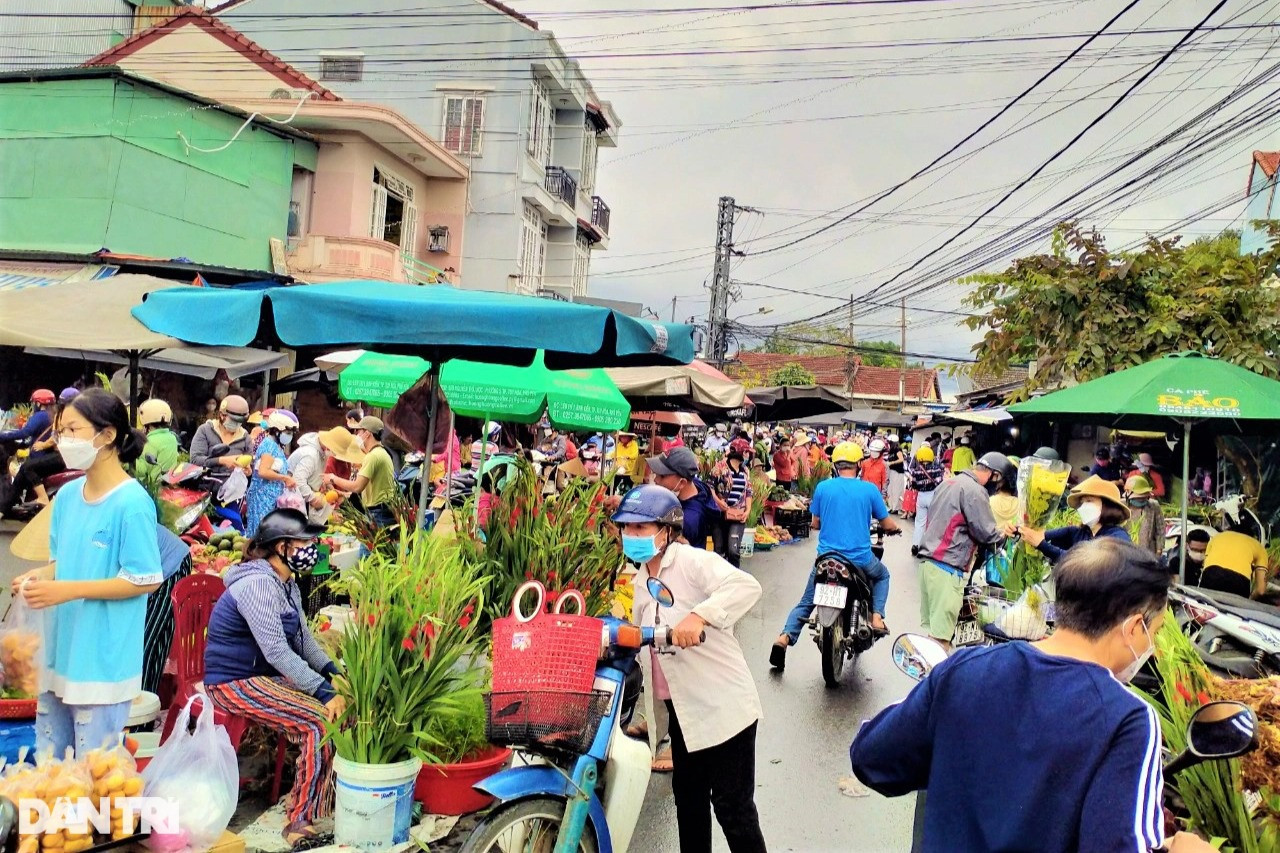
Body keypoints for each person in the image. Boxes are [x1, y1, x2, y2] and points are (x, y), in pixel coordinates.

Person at [849, 538, 1215, 853]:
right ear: (1135, 626)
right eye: (1156, 630)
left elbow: (872, 759)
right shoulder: (1128, 718)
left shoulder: (964, 669)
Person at [612, 485, 767, 853]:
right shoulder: (638, 582)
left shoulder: (691, 562)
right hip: (683, 710)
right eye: (627, 529)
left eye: (641, 528)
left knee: (732, 807)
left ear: (666, 531)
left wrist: (699, 616)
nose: (631, 536)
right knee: (689, 800)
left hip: (724, 707)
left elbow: (745, 585)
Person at [10, 388, 162, 756]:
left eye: (73, 430)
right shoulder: (67, 496)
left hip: (102, 661)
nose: (64, 441)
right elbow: (63, 561)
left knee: (96, 778)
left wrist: (68, 590)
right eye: (61, 431)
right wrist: (40, 578)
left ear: (107, 435)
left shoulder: (132, 503)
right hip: (60, 653)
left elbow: (144, 578)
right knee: (52, 770)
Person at [203, 509, 341, 849]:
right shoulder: (258, 585)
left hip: (260, 677)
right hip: (233, 682)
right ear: (282, 547)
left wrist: (333, 675)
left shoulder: (286, 583)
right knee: (318, 722)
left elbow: (304, 641)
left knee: (340, 710)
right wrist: (323, 694)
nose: (313, 548)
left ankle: (320, 799)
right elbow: (278, 652)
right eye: (305, 542)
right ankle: (298, 821)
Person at [771, 442, 898, 670]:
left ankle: (783, 639)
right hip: (859, 560)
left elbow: (815, 523)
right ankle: (877, 617)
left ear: (836, 465)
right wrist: (893, 528)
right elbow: (887, 522)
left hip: (826, 559)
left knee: (806, 602)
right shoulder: (869, 489)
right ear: (859, 465)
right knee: (883, 576)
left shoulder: (823, 488)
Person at [917, 452, 1014, 648]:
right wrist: (1004, 534)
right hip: (947, 567)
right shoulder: (975, 491)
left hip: (929, 564)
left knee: (936, 634)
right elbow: (985, 532)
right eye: (999, 480)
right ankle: (936, 678)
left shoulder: (950, 483)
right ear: (994, 475)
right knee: (941, 640)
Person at [1019, 475, 1132, 565]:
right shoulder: (1077, 532)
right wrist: (1017, 530)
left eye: (1089, 501)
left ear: (1107, 506)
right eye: (1082, 503)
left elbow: (1085, 563)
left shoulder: (1117, 537)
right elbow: (1040, 535)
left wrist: (1042, 545)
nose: (1083, 507)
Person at [327, 416, 399, 529]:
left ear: (367, 434)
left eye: (359, 431)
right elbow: (370, 488)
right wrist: (345, 495)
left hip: (378, 513)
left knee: (372, 546)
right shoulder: (381, 453)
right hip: (380, 511)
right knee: (369, 546)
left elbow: (357, 487)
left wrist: (333, 478)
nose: (357, 435)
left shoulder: (373, 456)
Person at [647, 447, 722, 549]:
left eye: (662, 476)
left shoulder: (686, 520)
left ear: (682, 482)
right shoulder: (697, 486)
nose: (656, 479)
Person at [245, 410, 298, 537]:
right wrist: (285, 478)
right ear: (276, 430)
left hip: (272, 498)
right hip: (262, 497)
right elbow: (263, 471)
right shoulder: (269, 445)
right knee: (260, 535)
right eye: (287, 433)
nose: (289, 436)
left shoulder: (276, 446)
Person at [289, 428, 352, 526]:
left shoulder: (321, 453)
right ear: (329, 446)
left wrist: (323, 485)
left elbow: (317, 475)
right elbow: (298, 480)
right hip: (294, 501)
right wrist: (312, 498)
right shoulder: (310, 454)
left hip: (304, 500)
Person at [710, 450, 753, 568]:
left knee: (733, 551)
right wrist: (718, 502)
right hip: (719, 516)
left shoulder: (745, 471)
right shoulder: (719, 468)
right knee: (719, 551)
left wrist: (748, 510)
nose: (747, 455)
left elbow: (748, 492)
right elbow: (709, 487)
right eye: (745, 452)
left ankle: (734, 578)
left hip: (737, 515)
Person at [189, 394, 252, 472]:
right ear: (222, 415)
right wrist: (221, 460)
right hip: (207, 482)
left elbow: (250, 464)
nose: (236, 424)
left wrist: (248, 472)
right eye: (233, 420)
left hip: (234, 483)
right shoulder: (205, 430)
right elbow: (195, 460)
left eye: (239, 421)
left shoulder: (245, 437)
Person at [1200, 530, 1271, 599]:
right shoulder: (1259, 547)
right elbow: (1260, 590)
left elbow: (1204, 566)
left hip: (1211, 573)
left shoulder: (1217, 537)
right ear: (1251, 537)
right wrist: (1249, 601)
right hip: (1239, 581)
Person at [907, 444, 945, 557]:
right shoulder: (937, 469)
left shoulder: (916, 471)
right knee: (932, 522)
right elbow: (940, 482)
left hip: (921, 497)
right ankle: (928, 548)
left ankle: (915, 545)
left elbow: (914, 485)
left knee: (919, 523)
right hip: (933, 496)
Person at [134, 399, 179, 489]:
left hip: (152, 489)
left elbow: (142, 471)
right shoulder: (172, 438)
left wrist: (126, 462)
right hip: (167, 486)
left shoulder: (149, 441)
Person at [1125, 476, 1166, 557]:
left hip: (1148, 551)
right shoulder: (1121, 506)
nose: (1141, 501)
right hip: (1127, 551)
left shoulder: (1154, 506)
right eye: (1138, 498)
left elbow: (1160, 529)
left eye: (1143, 498)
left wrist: (1159, 550)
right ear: (1128, 494)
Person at [884, 434, 906, 513]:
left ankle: (896, 507)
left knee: (896, 490)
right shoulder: (891, 451)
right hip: (892, 471)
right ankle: (891, 506)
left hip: (897, 472)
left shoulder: (898, 450)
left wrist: (892, 462)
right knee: (891, 489)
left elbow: (901, 459)